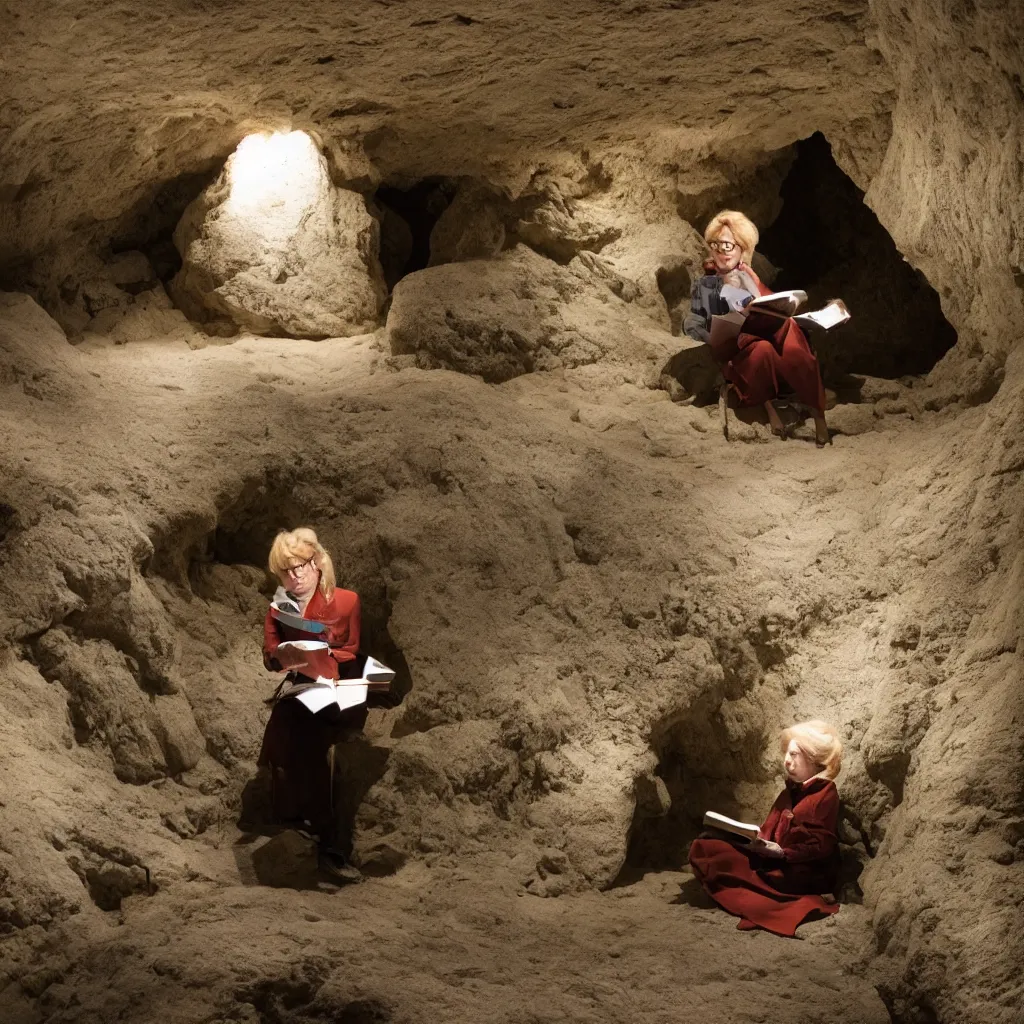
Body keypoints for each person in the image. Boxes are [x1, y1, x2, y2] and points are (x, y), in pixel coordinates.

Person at [258, 527, 364, 882]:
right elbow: (269, 655)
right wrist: (283, 655)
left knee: (301, 724)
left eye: (301, 566)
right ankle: (316, 835)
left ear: (317, 563)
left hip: (342, 682)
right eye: (287, 571)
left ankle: (323, 838)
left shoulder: (346, 600)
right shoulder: (278, 609)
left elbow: (353, 648)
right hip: (304, 684)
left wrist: (326, 652)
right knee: (291, 721)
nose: (296, 575)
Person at [683, 210, 831, 447]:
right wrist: (708, 331)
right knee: (761, 349)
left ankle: (817, 413)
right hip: (732, 346)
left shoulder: (749, 276)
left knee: (789, 329)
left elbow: (773, 306)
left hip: (758, 336)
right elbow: (694, 320)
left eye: (728, 246)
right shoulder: (705, 284)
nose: (721, 252)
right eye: (715, 245)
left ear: (742, 248)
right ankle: (770, 408)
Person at [688, 720, 844, 936]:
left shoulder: (826, 794)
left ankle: (762, 896)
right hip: (770, 860)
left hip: (799, 872)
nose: (787, 762)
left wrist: (782, 852)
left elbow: (822, 845)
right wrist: (741, 839)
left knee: (738, 869)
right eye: (787, 755)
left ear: (814, 759)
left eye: (794, 755)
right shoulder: (788, 792)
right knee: (707, 846)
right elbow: (766, 831)